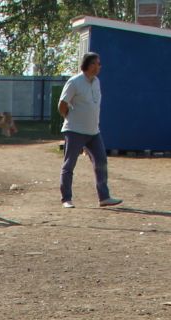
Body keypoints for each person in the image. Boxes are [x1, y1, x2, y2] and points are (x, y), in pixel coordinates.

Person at [58, 52, 121, 208]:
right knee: (69, 164)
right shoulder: (74, 82)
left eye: (99, 64)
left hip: (93, 131)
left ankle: (104, 197)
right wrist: (70, 119)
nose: (99, 66)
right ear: (89, 64)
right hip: (75, 130)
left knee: (101, 162)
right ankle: (66, 199)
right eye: (96, 63)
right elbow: (62, 104)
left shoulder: (97, 82)